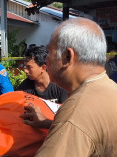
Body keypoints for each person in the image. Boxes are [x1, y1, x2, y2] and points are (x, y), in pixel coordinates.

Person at [21, 18, 117, 156]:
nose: (46, 59)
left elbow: (77, 123)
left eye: (49, 52)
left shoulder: (76, 110)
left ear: (67, 56)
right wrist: (49, 123)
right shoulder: (110, 87)